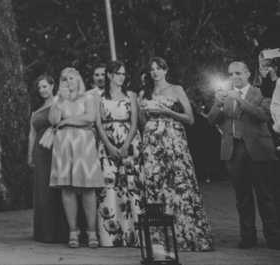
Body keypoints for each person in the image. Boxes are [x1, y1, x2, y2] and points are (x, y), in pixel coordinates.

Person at [140, 57, 213, 252]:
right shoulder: (144, 92)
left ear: (165, 70)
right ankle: (160, 239)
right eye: (152, 69)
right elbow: (141, 120)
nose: (155, 71)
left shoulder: (176, 89)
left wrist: (166, 110)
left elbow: (189, 119)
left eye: (159, 68)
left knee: (178, 183)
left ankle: (187, 234)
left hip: (173, 138)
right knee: (156, 185)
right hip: (152, 141)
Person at [207, 61, 280, 249]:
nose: (234, 77)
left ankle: (273, 236)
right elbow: (212, 119)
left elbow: (264, 114)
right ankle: (248, 236)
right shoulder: (224, 96)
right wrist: (218, 104)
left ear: (248, 74)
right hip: (233, 150)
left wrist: (240, 101)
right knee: (242, 196)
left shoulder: (260, 92)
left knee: (266, 195)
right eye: (231, 74)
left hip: (258, 148)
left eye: (238, 73)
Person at [49, 67, 104, 249]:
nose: (68, 82)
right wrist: (59, 102)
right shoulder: (59, 99)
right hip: (64, 146)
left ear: (78, 80)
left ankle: (92, 231)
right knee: (68, 188)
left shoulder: (88, 97)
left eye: (71, 78)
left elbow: (89, 118)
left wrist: (66, 121)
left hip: (84, 145)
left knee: (88, 189)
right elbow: (53, 120)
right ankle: (74, 231)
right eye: (65, 79)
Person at [94, 60, 142, 248]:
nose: (122, 76)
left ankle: (135, 234)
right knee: (109, 186)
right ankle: (111, 236)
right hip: (107, 142)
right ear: (110, 75)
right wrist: (109, 145)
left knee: (132, 184)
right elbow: (98, 124)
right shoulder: (99, 97)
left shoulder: (131, 95)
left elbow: (135, 121)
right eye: (118, 73)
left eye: (124, 73)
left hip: (129, 141)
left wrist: (126, 144)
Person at [27, 74, 68, 244]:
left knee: (59, 188)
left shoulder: (60, 103)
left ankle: (62, 232)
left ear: (52, 86)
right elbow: (31, 134)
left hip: (57, 149)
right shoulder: (36, 110)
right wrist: (29, 155)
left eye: (45, 86)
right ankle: (45, 232)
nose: (42, 90)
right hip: (40, 152)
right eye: (40, 88)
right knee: (43, 190)